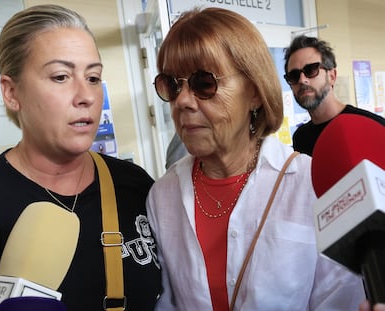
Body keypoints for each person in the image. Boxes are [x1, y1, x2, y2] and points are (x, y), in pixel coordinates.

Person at [146, 7, 365, 311]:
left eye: (203, 83)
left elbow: (343, 300)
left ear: (254, 92)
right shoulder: (163, 196)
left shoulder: (312, 184)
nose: (182, 100)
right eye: (172, 84)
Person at [0, 5, 161, 311]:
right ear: (11, 93)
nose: (85, 95)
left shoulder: (135, 184)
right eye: (60, 77)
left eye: (94, 77)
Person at [283, 35, 385, 156]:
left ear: (332, 76)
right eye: (294, 76)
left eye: (311, 69)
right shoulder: (301, 138)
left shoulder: (372, 126)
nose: (302, 80)